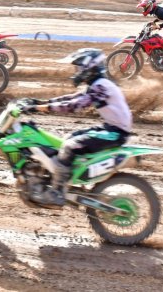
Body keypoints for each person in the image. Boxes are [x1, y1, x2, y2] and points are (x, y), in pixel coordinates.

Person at [19, 48, 133, 206]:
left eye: (79, 68)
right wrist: (39, 102)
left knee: (70, 146)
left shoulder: (102, 86)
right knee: (68, 140)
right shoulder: (97, 84)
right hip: (110, 129)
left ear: (89, 67)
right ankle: (66, 182)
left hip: (116, 133)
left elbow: (75, 105)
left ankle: (58, 192)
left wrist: (38, 109)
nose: (77, 71)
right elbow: (71, 98)